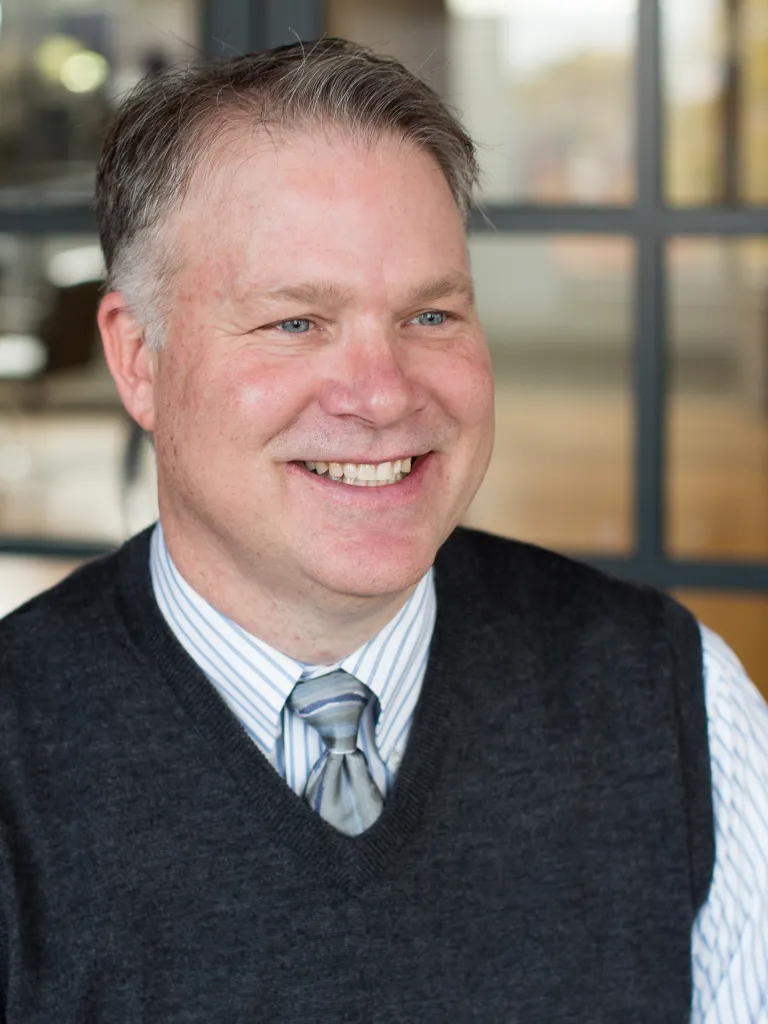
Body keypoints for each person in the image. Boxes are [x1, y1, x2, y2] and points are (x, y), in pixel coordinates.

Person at [0, 38, 766, 1023]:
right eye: (296, 322)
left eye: (432, 315)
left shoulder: (676, 703)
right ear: (138, 358)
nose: (382, 393)